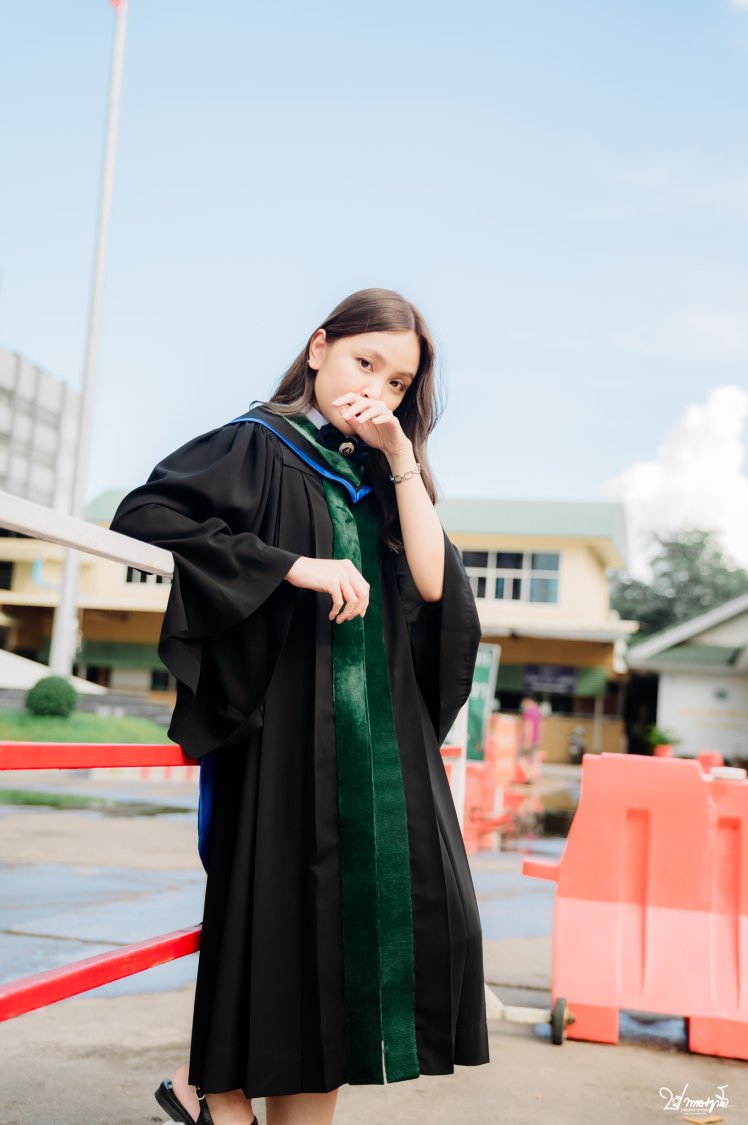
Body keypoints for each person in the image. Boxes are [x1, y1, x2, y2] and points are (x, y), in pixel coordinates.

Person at [109, 287, 490, 1125]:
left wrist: (398, 455)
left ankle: (210, 1091)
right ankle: (215, 1089)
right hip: (285, 743)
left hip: (374, 751)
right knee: (283, 942)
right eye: (365, 364)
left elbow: (434, 583)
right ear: (318, 349)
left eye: (399, 384)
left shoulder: (379, 475)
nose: (377, 392)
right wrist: (289, 565)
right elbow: (146, 514)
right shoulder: (258, 443)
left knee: (357, 965)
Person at [518, 694, 542, 783]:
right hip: (536, 739)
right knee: (532, 759)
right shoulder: (537, 711)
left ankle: (530, 774)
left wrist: (527, 740)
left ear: (527, 700)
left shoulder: (528, 711)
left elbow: (529, 726)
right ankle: (530, 776)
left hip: (530, 739)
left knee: (519, 757)